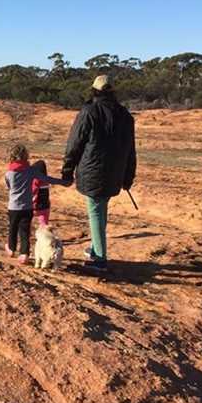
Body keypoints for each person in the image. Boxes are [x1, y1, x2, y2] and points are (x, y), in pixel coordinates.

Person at [61, 74, 136, 271]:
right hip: (115, 174)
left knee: (95, 212)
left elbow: (74, 144)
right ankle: (95, 248)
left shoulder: (89, 112)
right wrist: (128, 177)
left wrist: (67, 170)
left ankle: (100, 259)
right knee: (101, 210)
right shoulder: (125, 115)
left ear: (94, 90)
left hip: (93, 173)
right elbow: (131, 150)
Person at [5, 145, 68, 264]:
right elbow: (47, 179)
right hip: (28, 207)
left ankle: (11, 249)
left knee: (12, 228)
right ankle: (24, 254)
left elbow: (9, 186)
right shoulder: (31, 170)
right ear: (26, 156)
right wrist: (63, 182)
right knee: (25, 230)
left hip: (13, 206)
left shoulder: (9, 173)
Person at [30, 160, 53, 226]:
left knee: (25, 222)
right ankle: (44, 233)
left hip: (35, 207)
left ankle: (25, 234)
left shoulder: (35, 180)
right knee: (44, 225)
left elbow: (33, 191)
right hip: (45, 207)